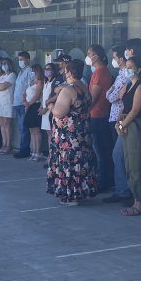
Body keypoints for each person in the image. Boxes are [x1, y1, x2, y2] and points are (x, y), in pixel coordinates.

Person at [46, 59, 97, 205]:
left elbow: (58, 112)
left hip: (68, 135)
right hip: (83, 132)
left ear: (68, 72)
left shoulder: (68, 90)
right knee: (81, 161)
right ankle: (81, 190)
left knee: (68, 163)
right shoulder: (83, 87)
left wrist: (50, 105)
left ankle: (70, 195)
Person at [115, 57, 141, 216]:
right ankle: (135, 196)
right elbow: (123, 107)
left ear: (138, 69)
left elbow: (135, 110)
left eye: (131, 67)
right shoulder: (129, 85)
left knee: (136, 163)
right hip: (126, 125)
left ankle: (139, 202)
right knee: (126, 161)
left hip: (135, 126)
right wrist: (119, 122)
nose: (127, 69)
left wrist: (123, 124)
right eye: (126, 66)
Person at [85, 45, 115, 192]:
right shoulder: (98, 72)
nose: (88, 56)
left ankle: (104, 181)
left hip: (98, 116)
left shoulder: (101, 72)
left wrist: (83, 111)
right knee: (100, 150)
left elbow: (93, 97)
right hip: (97, 115)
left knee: (101, 151)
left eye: (89, 53)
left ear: (96, 56)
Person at [103, 47, 131, 204]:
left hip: (121, 118)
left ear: (121, 59)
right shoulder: (120, 74)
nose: (113, 60)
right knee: (118, 155)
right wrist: (112, 92)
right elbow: (110, 94)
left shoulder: (126, 75)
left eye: (115, 57)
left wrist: (112, 92)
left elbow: (112, 96)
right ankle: (121, 188)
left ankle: (123, 190)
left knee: (119, 155)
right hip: (114, 116)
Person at [12, 51, 34, 158]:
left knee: (24, 127)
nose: (20, 61)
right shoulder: (21, 72)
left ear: (28, 60)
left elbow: (31, 86)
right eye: (19, 60)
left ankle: (24, 149)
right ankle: (22, 147)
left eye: (22, 59)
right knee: (21, 128)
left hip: (24, 103)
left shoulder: (30, 71)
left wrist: (27, 101)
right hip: (17, 103)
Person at [24, 64, 46, 160]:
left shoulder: (40, 81)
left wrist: (29, 104)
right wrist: (25, 101)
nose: (32, 73)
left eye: (33, 71)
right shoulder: (31, 81)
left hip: (35, 105)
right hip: (29, 105)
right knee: (31, 130)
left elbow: (36, 95)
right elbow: (25, 93)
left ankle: (38, 152)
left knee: (36, 130)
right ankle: (33, 151)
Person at [38, 63, 59, 160]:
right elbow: (44, 97)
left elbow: (55, 97)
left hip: (50, 110)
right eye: (45, 69)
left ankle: (52, 156)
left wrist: (46, 108)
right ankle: (50, 156)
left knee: (52, 134)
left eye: (49, 69)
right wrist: (41, 107)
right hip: (44, 111)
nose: (46, 71)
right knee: (48, 134)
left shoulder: (55, 82)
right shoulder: (46, 82)